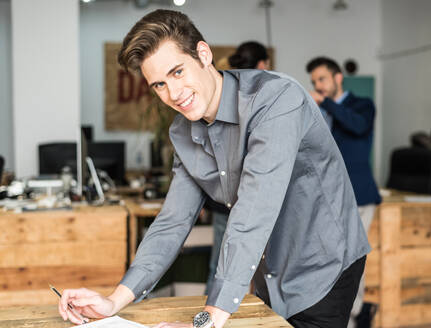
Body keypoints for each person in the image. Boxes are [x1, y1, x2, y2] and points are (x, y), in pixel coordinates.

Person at [58, 10, 369, 328]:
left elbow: (253, 211)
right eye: (159, 85)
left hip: (323, 266)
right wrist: (114, 301)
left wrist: (206, 321)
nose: (173, 94)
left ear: (203, 55)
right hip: (268, 268)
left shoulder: (276, 101)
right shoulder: (183, 132)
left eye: (177, 72)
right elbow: (172, 223)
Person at [306, 57, 381, 328]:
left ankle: (352, 317)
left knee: (351, 262)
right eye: (314, 82)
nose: (318, 86)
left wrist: (325, 103)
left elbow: (358, 126)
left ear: (338, 78)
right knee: (328, 261)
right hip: (326, 199)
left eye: (322, 79)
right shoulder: (320, 112)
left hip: (358, 197)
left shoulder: (362, 105)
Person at [205, 40, 270, 295]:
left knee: (221, 268)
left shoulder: (224, 97)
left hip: (225, 201)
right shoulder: (263, 102)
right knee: (256, 271)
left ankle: (211, 317)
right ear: (263, 64)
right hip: (253, 203)